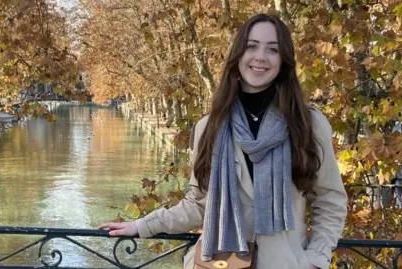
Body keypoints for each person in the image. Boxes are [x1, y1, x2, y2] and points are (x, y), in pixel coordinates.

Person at [99, 13, 348, 269]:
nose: (260, 56)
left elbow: (330, 201)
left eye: (272, 49)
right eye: (251, 46)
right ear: (238, 55)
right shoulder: (210, 127)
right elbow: (197, 205)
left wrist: (315, 259)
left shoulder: (307, 124)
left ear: (283, 61)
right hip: (219, 262)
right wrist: (141, 225)